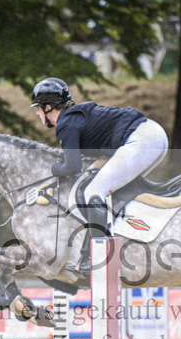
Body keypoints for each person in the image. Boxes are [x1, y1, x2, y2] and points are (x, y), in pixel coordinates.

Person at [29, 77, 169, 272]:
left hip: (141, 140)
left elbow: (72, 167)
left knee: (93, 193)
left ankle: (100, 256)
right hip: (154, 135)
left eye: (38, 108)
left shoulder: (66, 124)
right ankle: (129, 240)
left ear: (48, 107)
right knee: (116, 190)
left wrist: (53, 169)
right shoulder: (74, 117)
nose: (37, 113)